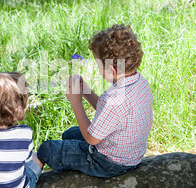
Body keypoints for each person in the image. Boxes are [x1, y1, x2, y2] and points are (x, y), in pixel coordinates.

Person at [37, 24, 153, 178]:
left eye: (97, 64)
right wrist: (86, 92)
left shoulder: (112, 99)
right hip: (131, 154)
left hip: (107, 163)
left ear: (111, 70)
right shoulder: (140, 82)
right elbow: (112, 116)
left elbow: (91, 139)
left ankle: (32, 179)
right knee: (69, 134)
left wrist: (76, 102)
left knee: (46, 149)